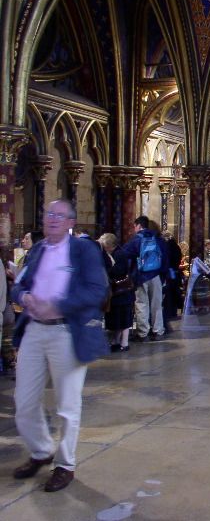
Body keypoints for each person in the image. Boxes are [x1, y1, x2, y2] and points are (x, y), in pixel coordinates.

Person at [10, 199, 108, 492]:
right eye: (48, 214)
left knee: (67, 404)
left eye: (59, 215)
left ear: (70, 222)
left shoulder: (83, 250)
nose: (52, 219)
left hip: (67, 331)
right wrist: (24, 297)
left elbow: (97, 290)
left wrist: (59, 306)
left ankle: (65, 464)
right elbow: (19, 283)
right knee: (24, 401)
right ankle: (41, 450)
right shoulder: (38, 250)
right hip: (34, 331)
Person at [121, 215, 168, 342]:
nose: (134, 229)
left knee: (142, 304)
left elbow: (123, 254)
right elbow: (165, 259)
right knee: (157, 304)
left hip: (141, 276)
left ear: (139, 226)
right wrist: (162, 276)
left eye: (134, 226)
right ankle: (158, 331)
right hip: (156, 275)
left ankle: (143, 333)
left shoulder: (136, 239)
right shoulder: (158, 239)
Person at [98, 233, 135, 351]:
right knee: (117, 318)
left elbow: (118, 271)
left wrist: (106, 268)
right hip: (118, 293)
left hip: (122, 292)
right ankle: (116, 341)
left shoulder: (119, 254)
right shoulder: (116, 253)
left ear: (109, 245)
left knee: (123, 319)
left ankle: (124, 343)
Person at [162, 230, 183, 323]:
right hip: (175, 271)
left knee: (169, 293)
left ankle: (170, 312)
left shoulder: (168, 246)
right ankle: (173, 312)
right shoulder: (175, 246)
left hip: (169, 272)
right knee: (174, 291)